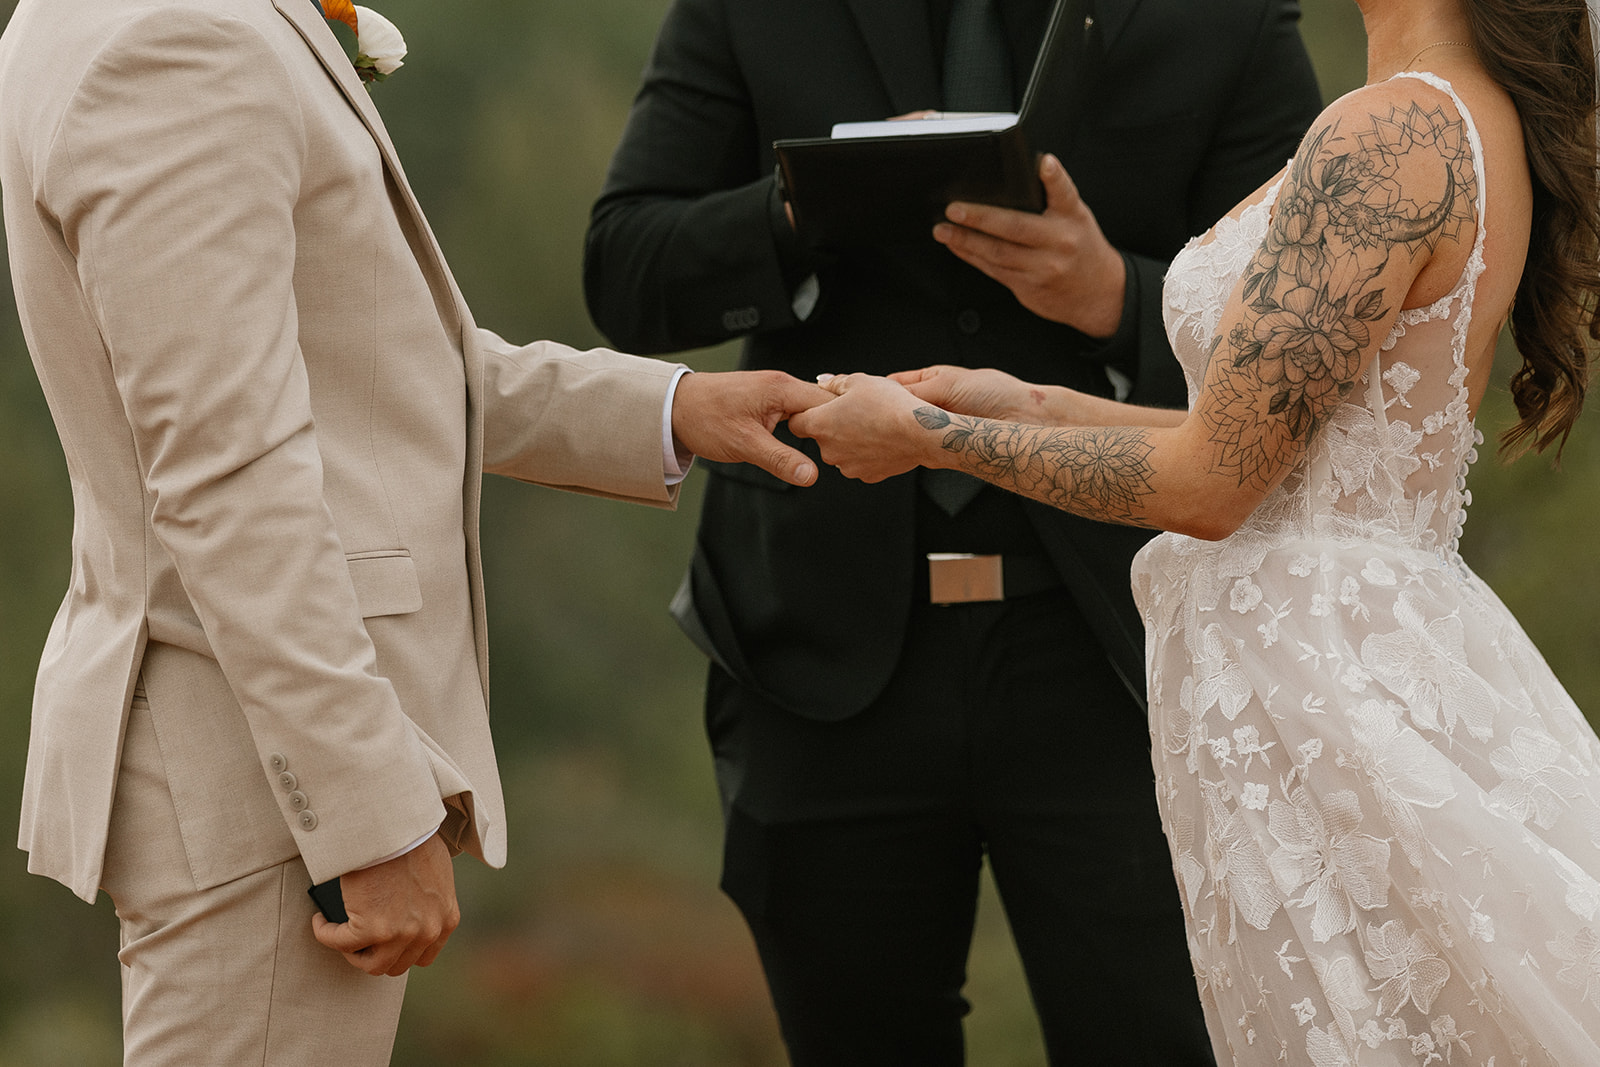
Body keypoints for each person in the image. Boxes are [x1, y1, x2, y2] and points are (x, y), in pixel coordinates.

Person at [0, 0, 829, 1062]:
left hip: (240, 738)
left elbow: (364, 365)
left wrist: (668, 410)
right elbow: (225, 474)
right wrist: (362, 813)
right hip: (266, 774)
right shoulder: (178, 43)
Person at [789, 0, 1600, 1060]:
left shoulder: (1392, 135)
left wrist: (935, 437)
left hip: (1327, 698)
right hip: (1328, 660)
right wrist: (1020, 403)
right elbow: (1260, 450)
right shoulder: (1442, 118)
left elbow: (1210, 487)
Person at [582, 0, 1322, 1062]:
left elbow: (1306, 348)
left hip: (1126, 653)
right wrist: (805, 208)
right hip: (818, 651)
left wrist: (1113, 297)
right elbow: (623, 273)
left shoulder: (1224, 14)